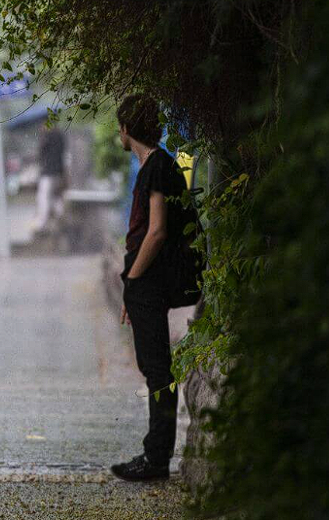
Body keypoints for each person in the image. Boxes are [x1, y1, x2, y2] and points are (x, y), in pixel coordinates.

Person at [110, 95, 195, 482]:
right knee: (154, 368)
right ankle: (155, 454)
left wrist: (133, 279)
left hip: (149, 279)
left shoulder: (157, 166)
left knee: (158, 370)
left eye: (120, 127)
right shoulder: (153, 166)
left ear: (127, 129)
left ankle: (156, 458)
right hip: (144, 281)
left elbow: (157, 231)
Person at [32, 125, 67, 232]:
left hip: (48, 171)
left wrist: (43, 136)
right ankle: (60, 215)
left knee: (43, 196)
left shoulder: (47, 136)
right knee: (55, 195)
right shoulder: (60, 135)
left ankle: (42, 222)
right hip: (58, 171)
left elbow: (41, 153)